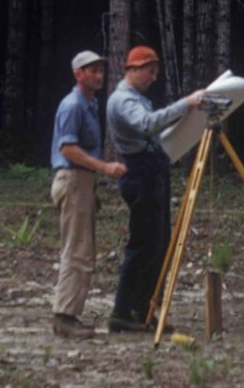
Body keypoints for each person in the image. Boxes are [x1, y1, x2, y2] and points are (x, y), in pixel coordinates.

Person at [105, 45, 203, 333]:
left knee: (159, 243)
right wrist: (187, 104)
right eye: (150, 71)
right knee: (143, 245)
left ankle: (145, 308)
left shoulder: (138, 98)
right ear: (134, 68)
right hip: (140, 173)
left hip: (152, 170)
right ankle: (124, 311)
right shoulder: (123, 100)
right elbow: (147, 125)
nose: (153, 77)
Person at [48, 50, 126, 339]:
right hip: (73, 180)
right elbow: (68, 148)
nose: (99, 76)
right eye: (92, 70)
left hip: (82, 182)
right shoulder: (72, 106)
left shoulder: (90, 105)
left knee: (82, 249)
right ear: (78, 74)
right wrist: (104, 167)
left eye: (100, 70)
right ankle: (64, 317)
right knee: (76, 250)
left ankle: (69, 314)